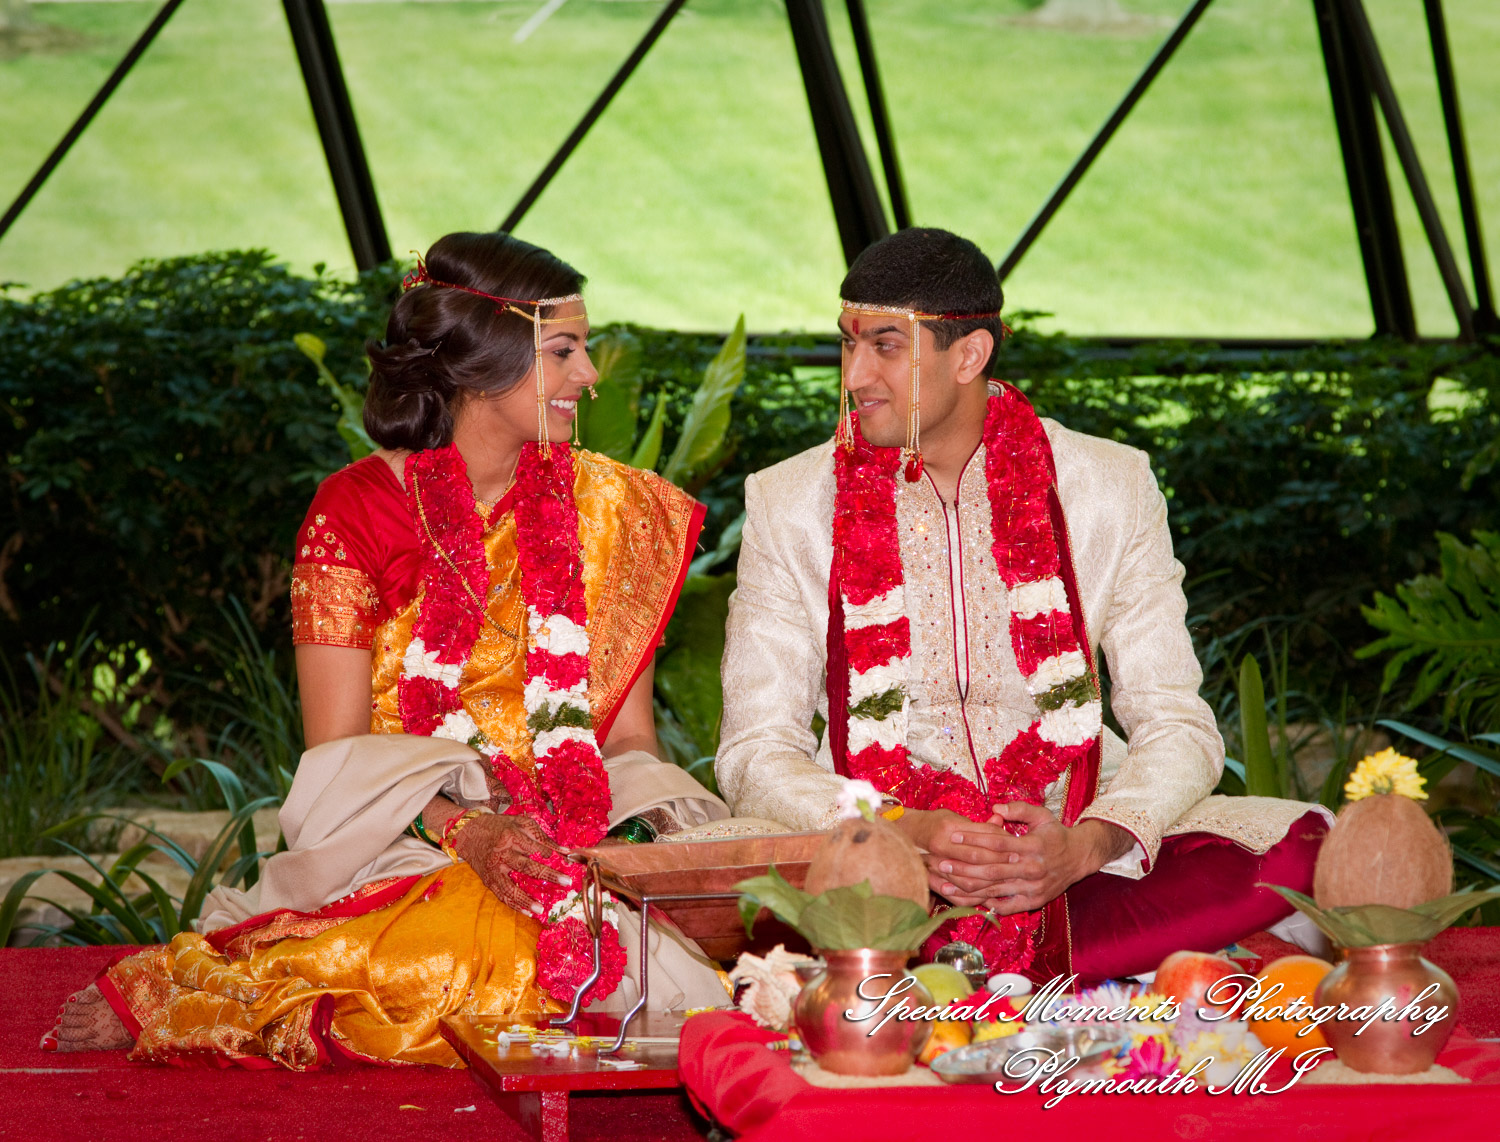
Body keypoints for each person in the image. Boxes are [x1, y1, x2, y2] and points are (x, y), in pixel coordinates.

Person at [49, 232, 731, 1068]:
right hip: (403, 833)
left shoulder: (617, 511)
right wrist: (471, 833)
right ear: (482, 359)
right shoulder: (355, 512)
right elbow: (336, 759)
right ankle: (213, 986)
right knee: (463, 960)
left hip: (576, 821)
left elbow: (626, 740)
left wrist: (632, 842)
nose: (588, 376)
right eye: (564, 351)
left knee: (688, 975)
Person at [715, 228, 1330, 984]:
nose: (855, 376)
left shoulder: (1107, 486)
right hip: (873, 859)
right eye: (847, 345)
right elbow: (754, 751)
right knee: (727, 889)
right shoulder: (790, 504)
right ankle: (1041, 966)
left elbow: (1177, 723)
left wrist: (1089, 844)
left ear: (969, 355)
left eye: (885, 346)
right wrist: (901, 831)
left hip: (1066, 848)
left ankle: (960, 970)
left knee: (1303, 849)